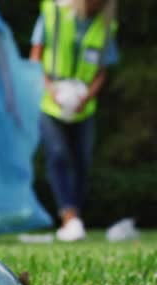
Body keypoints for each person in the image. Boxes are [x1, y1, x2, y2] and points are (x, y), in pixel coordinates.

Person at [30, 0, 119, 241]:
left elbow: (102, 69)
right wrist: (50, 89)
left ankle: (75, 215)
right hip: (49, 102)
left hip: (84, 106)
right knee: (57, 153)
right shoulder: (53, 11)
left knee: (82, 160)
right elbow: (35, 56)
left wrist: (86, 96)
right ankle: (68, 215)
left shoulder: (106, 25)